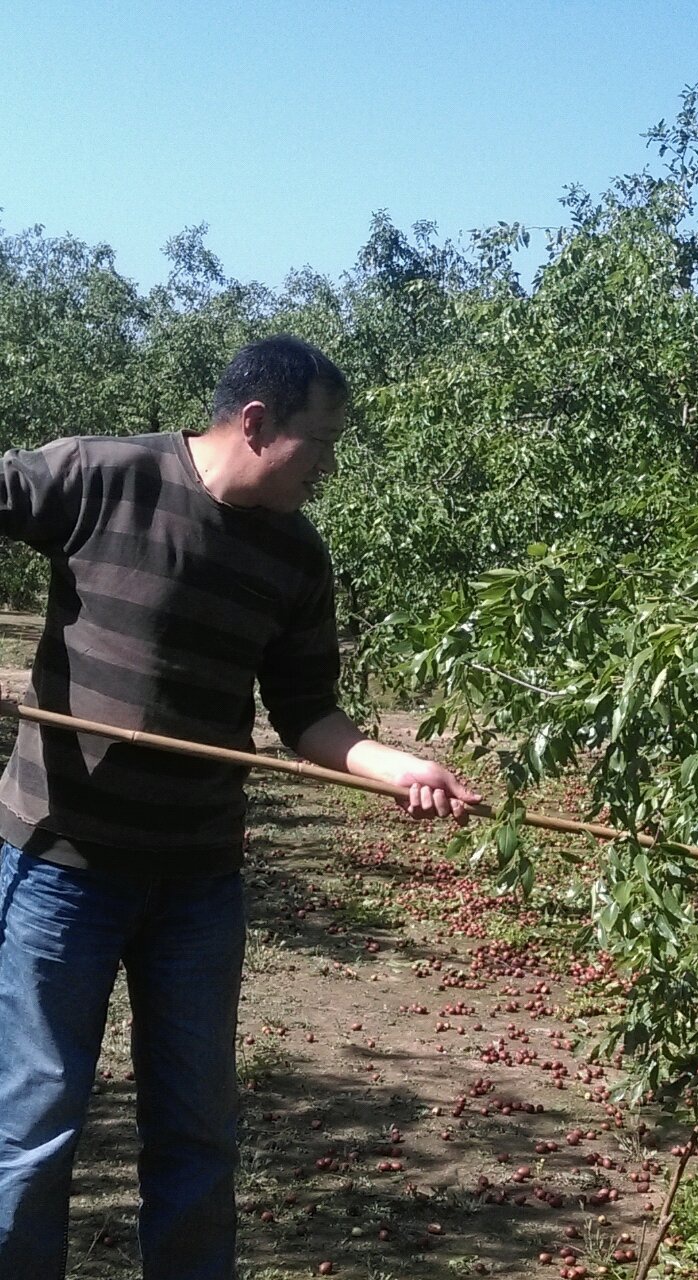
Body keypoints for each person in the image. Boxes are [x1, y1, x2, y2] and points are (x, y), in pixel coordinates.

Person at [0, 335, 480, 1279]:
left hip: (197, 889)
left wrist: (400, 769)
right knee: (33, 1127)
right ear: (257, 424)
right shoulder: (102, 474)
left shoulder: (297, 557)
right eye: (325, 441)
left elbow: (309, 716)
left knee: (196, 1136)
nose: (332, 467)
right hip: (61, 872)